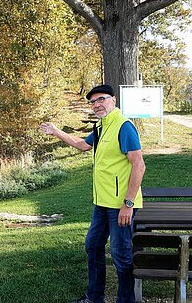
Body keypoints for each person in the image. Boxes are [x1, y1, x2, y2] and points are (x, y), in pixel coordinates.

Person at [40, 84, 145, 303]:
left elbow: (139, 166)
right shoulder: (100, 127)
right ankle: (94, 298)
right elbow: (81, 144)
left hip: (120, 206)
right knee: (93, 246)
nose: (97, 104)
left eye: (101, 99)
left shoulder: (123, 126)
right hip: (101, 204)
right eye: (93, 102)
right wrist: (55, 131)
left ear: (113, 100)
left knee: (121, 256)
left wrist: (128, 204)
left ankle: (126, 301)